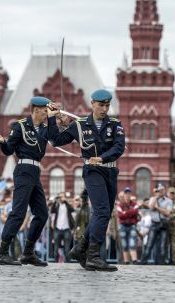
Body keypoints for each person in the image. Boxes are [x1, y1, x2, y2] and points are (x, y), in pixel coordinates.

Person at [48, 89, 126, 272]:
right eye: (101, 105)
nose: (104, 109)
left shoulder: (115, 124)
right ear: (92, 104)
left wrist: (103, 158)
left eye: (107, 105)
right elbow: (56, 140)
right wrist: (52, 119)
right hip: (92, 171)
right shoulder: (80, 125)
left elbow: (119, 147)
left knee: (105, 213)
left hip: (110, 171)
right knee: (101, 211)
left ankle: (80, 248)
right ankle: (93, 256)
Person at [0, 96, 53, 267]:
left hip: (35, 171)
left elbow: (54, 136)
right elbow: (9, 149)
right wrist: (2, 141)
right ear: (36, 110)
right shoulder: (21, 126)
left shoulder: (45, 128)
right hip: (23, 170)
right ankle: (3, 253)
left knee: (42, 214)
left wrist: (57, 118)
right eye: (45, 111)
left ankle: (28, 253)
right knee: (18, 212)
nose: (47, 114)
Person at [141, 184, 172, 265]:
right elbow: (151, 207)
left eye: (162, 190)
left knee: (162, 246)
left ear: (164, 190)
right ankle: (143, 262)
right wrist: (155, 196)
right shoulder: (152, 199)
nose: (160, 192)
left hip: (164, 224)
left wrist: (157, 208)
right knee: (149, 244)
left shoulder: (169, 201)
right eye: (158, 190)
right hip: (154, 224)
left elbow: (168, 213)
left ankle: (161, 263)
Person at [116, 187, 139, 264]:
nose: (127, 195)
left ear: (130, 194)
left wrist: (125, 212)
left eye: (129, 193)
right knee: (124, 244)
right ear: (124, 194)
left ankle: (134, 261)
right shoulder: (120, 205)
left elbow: (135, 212)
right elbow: (120, 216)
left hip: (132, 225)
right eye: (126, 193)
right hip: (123, 226)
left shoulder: (134, 204)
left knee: (132, 244)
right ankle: (126, 262)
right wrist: (129, 213)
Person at [50, 192, 75, 262]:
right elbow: (52, 211)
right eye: (60, 197)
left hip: (66, 228)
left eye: (62, 197)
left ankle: (68, 262)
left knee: (67, 248)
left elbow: (72, 210)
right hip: (57, 228)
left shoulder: (67, 206)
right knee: (56, 248)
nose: (61, 198)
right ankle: (55, 262)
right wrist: (55, 200)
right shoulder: (56, 205)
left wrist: (66, 201)